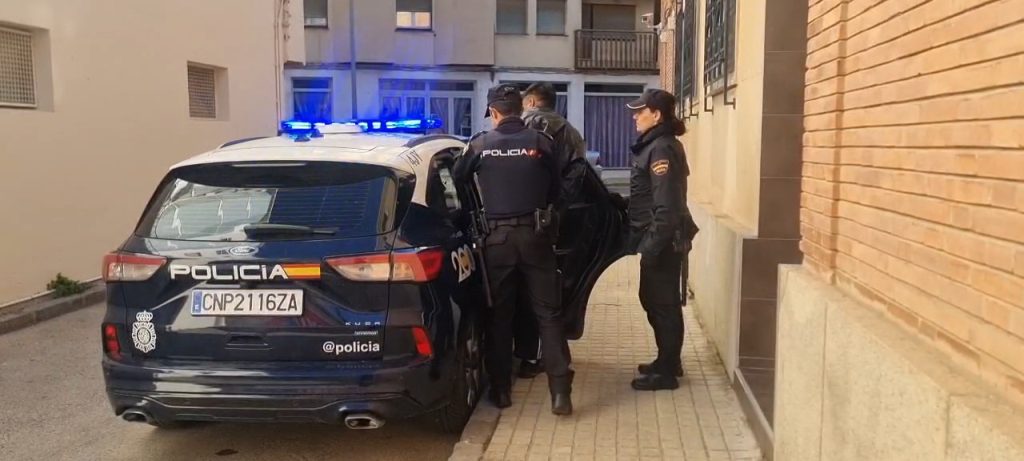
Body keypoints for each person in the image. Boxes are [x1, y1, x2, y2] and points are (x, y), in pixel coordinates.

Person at [453, 84, 574, 415]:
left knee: (499, 316)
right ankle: (560, 393)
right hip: (537, 237)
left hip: (496, 242)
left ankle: (501, 391)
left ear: (494, 112)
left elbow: (459, 179)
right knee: (548, 315)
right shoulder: (542, 142)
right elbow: (557, 190)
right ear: (521, 110)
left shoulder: (479, 144)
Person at [512, 82, 588, 379]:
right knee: (547, 295)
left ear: (531, 101)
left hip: (515, 223)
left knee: (521, 293)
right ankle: (552, 359)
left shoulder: (523, 127)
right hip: (550, 224)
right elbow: (577, 174)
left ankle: (526, 355)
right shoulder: (571, 133)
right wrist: (555, 207)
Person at [625, 88, 698, 391]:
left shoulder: (661, 149)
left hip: (663, 239)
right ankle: (667, 360)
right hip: (661, 237)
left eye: (640, 111)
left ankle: (667, 372)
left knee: (662, 304)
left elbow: (666, 206)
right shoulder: (659, 144)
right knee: (655, 300)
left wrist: (652, 247)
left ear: (656, 115)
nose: (635, 117)